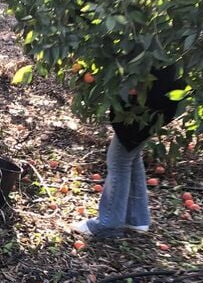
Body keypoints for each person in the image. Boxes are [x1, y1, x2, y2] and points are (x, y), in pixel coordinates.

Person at [72, 64, 184, 238]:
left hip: (145, 110)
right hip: (157, 107)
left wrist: (116, 81)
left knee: (119, 160)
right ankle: (137, 219)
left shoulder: (151, 47)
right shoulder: (166, 49)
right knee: (130, 156)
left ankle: (108, 224)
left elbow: (134, 84)